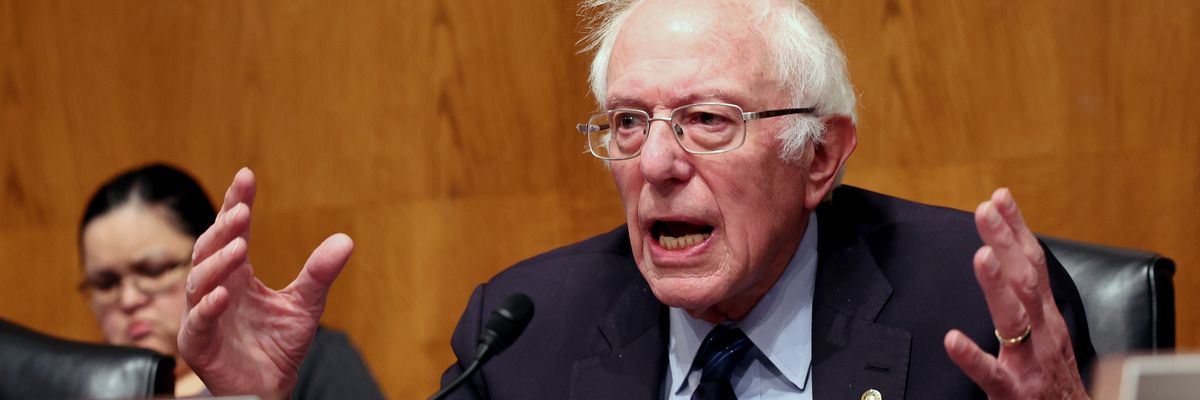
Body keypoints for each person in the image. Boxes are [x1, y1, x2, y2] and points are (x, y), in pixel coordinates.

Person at [178, 0, 1096, 398]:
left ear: (820, 156)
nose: (655, 162)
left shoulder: (971, 302)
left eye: (706, 120)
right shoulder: (526, 333)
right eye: (627, 122)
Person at [78, 163, 384, 399]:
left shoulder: (304, 360)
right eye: (105, 283)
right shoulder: (81, 387)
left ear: (210, 257)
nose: (129, 300)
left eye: (154, 271)